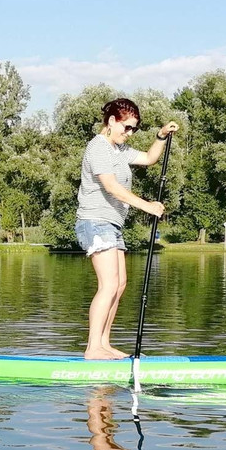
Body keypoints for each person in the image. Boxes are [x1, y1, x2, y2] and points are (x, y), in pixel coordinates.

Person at [75, 99, 178, 360]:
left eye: (133, 129)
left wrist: (161, 136)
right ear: (111, 121)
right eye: (127, 127)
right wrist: (147, 206)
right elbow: (111, 187)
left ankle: (104, 344)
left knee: (120, 285)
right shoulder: (97, 148)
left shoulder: (119, 149)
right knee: (108, 284)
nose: (129, 133)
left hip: (112, 224)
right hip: (95, 222)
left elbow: (149, 158)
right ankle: (92, 348)